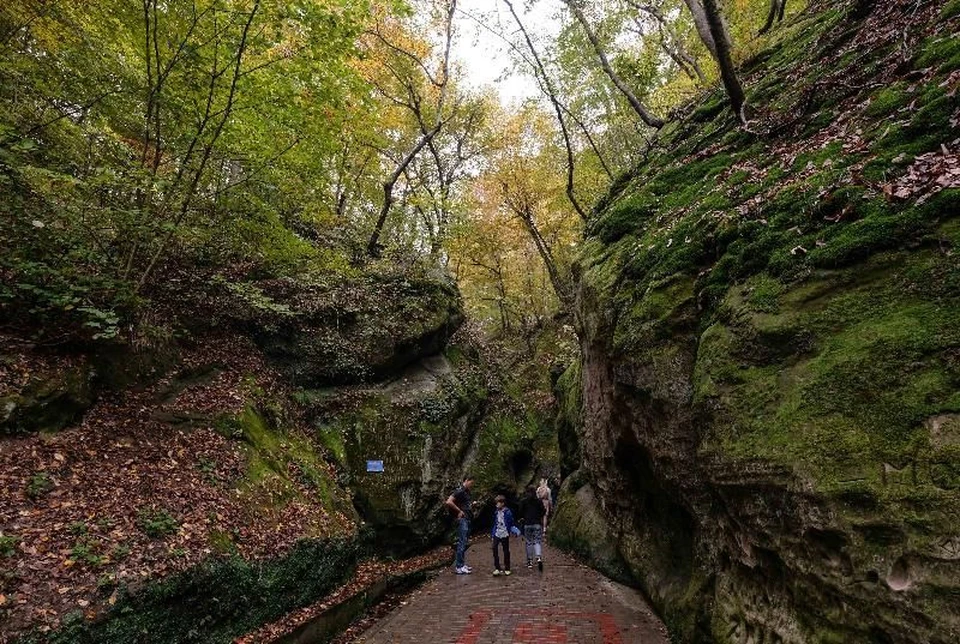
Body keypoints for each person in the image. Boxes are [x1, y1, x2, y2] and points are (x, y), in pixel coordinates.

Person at [445, 476, 474, 574]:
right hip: (462, 520)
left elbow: (465, 504)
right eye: (471, 483)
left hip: (467, 518)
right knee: (462, 542)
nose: (472, 485)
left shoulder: (466, 492)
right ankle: (459, 566)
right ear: (466, 481)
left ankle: (462, 564)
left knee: (464, 542)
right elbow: (449, 502)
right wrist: (459, 511)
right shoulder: (460, 491)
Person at [490, 494, 520, 576]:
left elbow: (511, 523)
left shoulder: (508, 512)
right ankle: (497, 568)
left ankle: (507, 568)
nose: (496, 504)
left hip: (505, 533)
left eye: (498, 503)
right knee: (494, 549)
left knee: (506, 550)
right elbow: (495, 524)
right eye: (496, 503)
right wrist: (493, 534)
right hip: (497, 533)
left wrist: (513, 531)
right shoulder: (496, 512)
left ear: (502, 503)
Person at [519, 485, 546, 571]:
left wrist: (524, 517)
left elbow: (520, 511)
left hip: (527, 524)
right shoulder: (538, 501)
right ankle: (538, 557)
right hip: (537, 523)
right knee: (537, 541)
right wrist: (538, 516)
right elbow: (543, 511)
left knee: (529, 542)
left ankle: (530, 561)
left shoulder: (524, 501)